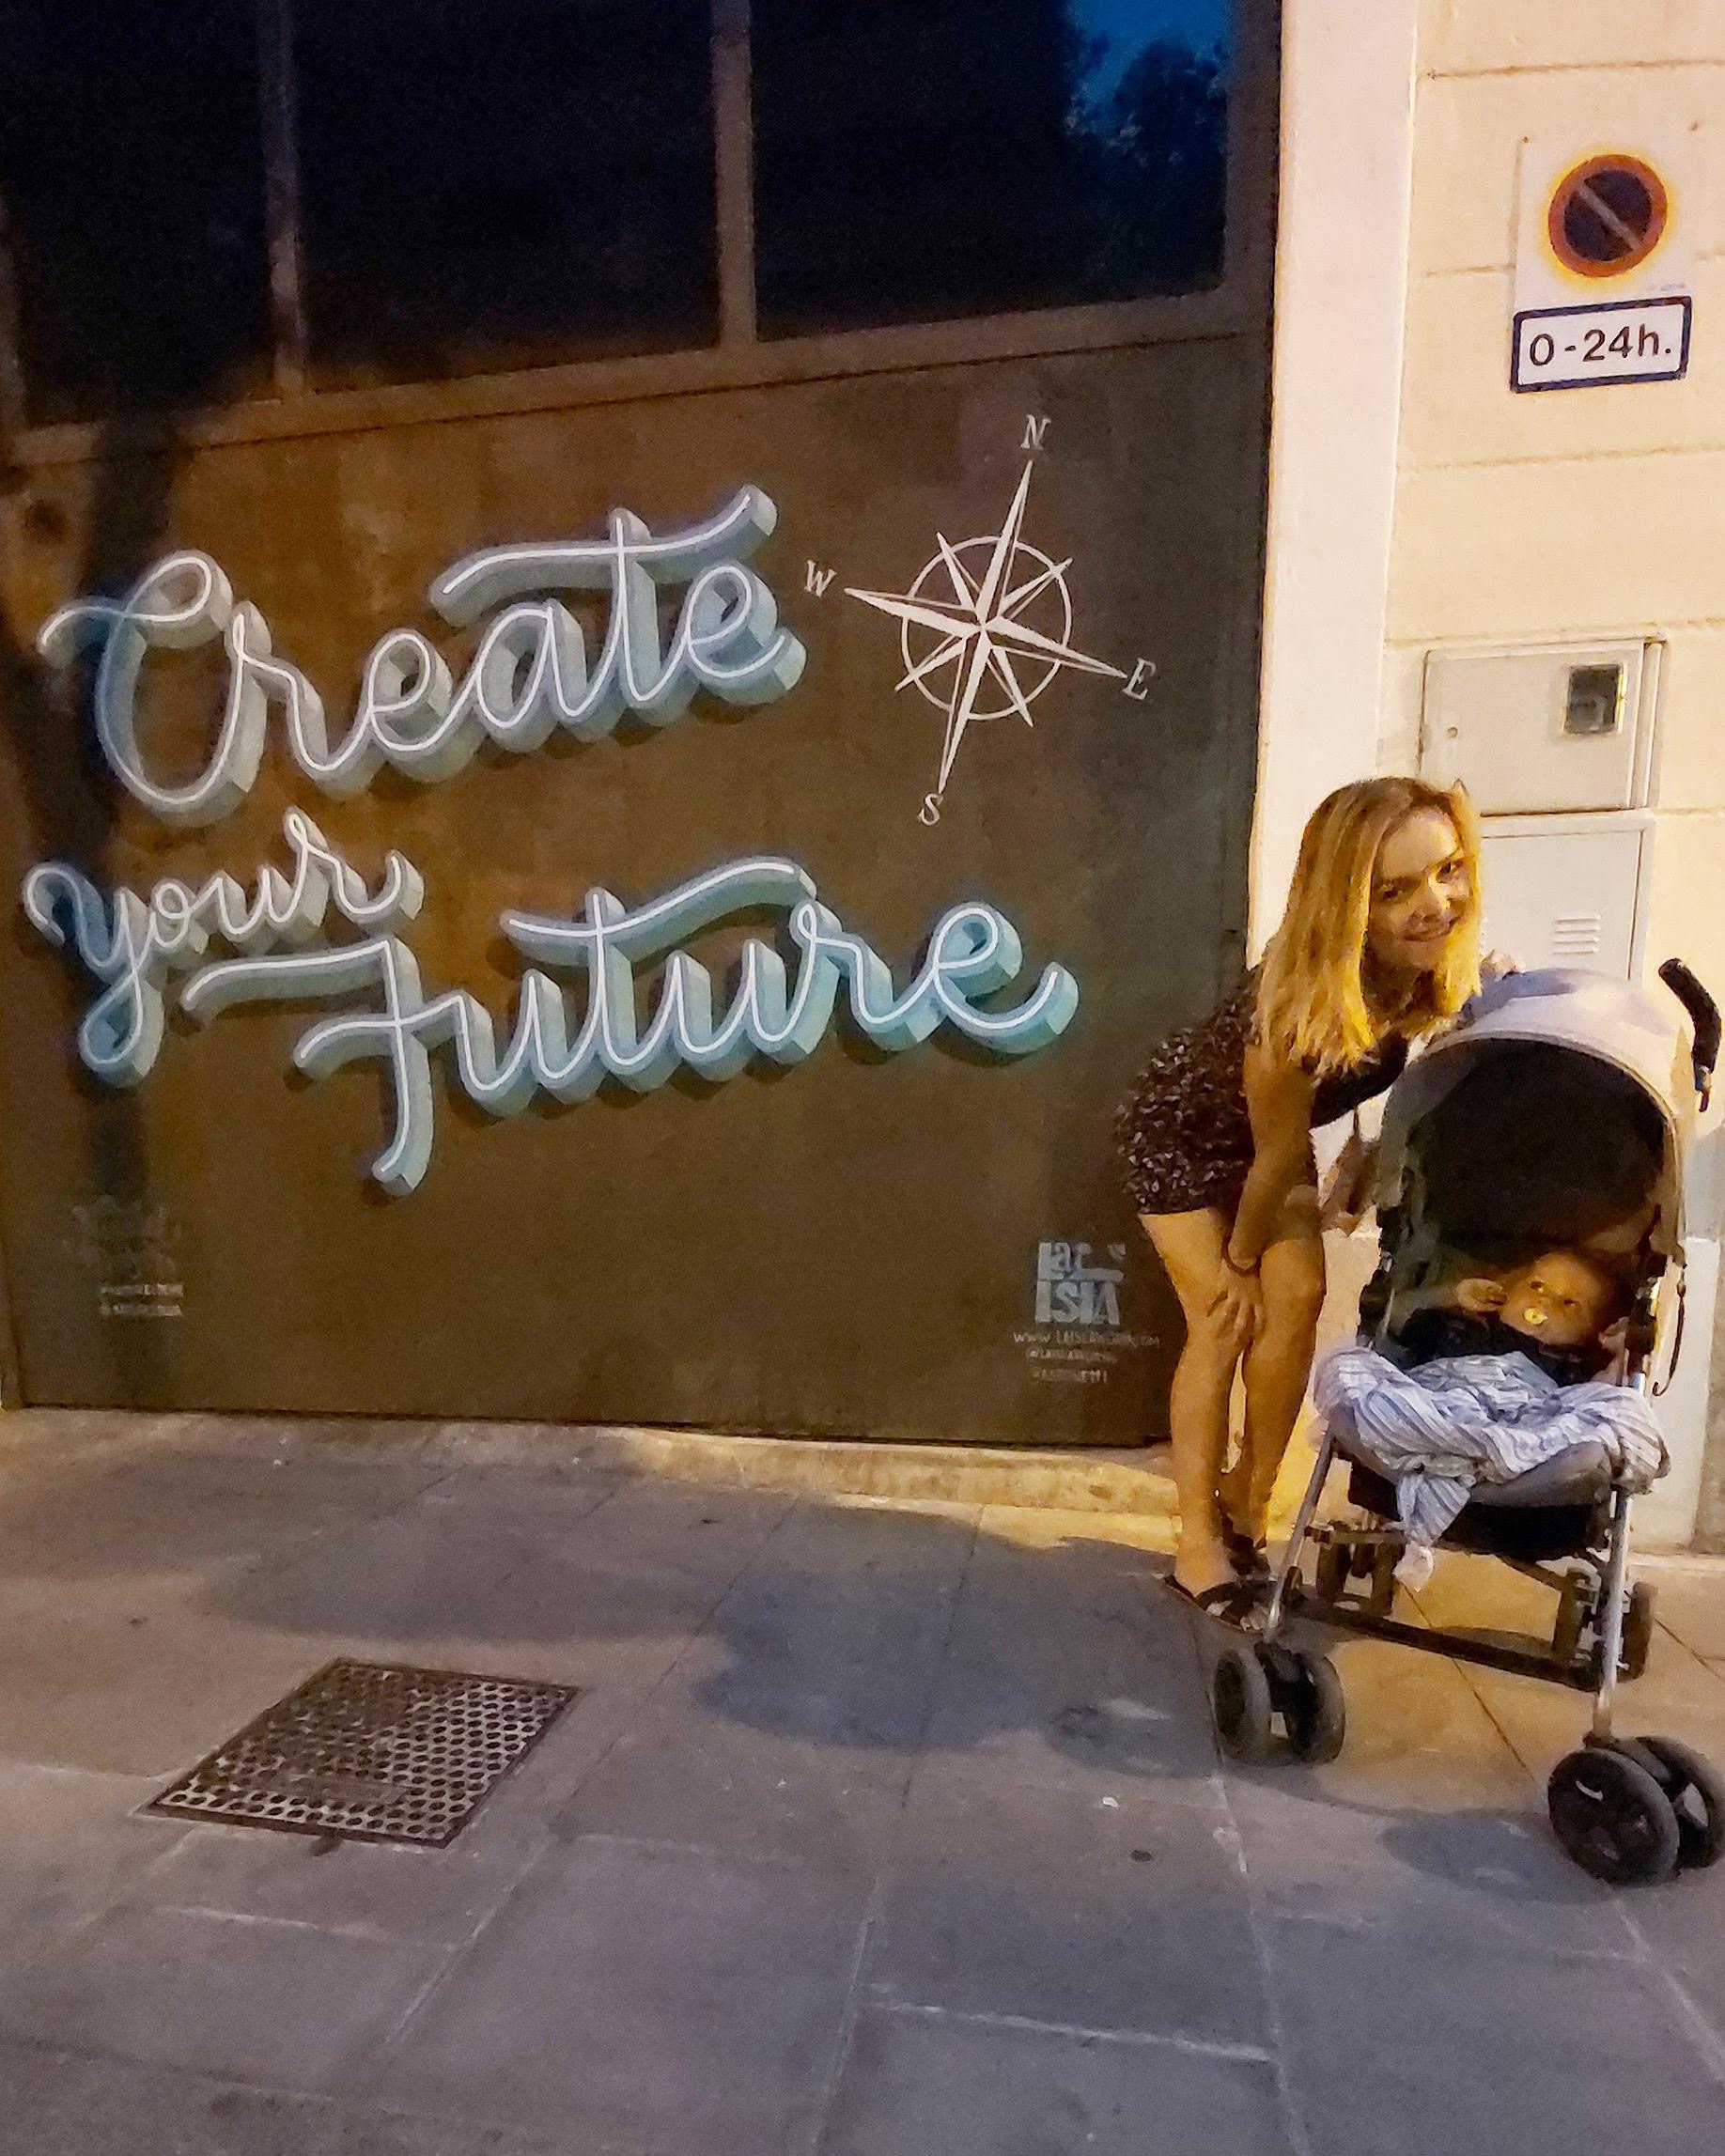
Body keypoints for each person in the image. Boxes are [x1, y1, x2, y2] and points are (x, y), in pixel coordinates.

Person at [1114, 776, 1484, 1619]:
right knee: (1223, 1319)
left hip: (1265, 1152)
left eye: (1449, 870)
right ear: (1346, 903)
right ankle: (1198, 1547)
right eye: (1394, 892)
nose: (1435, 904)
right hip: (1182, 1137)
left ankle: (1248, 1504)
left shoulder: (1421, 967)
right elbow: (1278, 1153)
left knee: (1302, 1295)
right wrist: (1238, 1261)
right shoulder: (1295, 1006)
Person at [1392, 1247, 1629, 1387]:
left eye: (1569, 1303)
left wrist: (1619, 1349)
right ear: (1507, 1292)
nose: (1544, 1301)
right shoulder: (1462, 1329)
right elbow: (1392, 1319)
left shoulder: (1572, 1370)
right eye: (1536, 1286)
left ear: (1592, 1334)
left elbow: (1604, 1396)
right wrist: (1453, 1294)